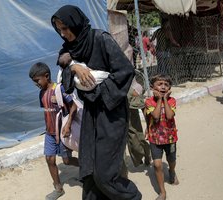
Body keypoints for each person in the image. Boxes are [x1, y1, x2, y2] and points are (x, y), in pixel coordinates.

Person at [51, 5, 142, 200]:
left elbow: (125, 72)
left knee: (105, 174)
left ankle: (132, 197)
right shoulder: (71, 47)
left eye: (66, 28)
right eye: (59, 29)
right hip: (91, 112)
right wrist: (75, 67)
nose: (63, 33)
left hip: (112, 112)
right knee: (89, 167)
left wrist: (96, 90)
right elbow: (62, 62)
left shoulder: (100, 39)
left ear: (75, 24)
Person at [29, 62, 79, 200]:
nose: (36, 84)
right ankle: (58, 188)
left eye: (37, 80)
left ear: (46, 76)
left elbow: (73, 106)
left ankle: (87, 169)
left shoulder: (59, 89)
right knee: (49, 159)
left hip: (62, 133)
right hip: (50, 133)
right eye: (34, 82)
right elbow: (48, 112)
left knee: (67, 161)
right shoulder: (41, 94)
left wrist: (68, 125)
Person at [144, 74, 179, 200]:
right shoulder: (149, 101)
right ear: (153, 87)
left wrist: (164, 99)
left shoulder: (172, 100)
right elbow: (155, 116)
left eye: (166, 84)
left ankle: (172, 171)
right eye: (160, 84)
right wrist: (159, 100)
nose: (163, 87)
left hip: (170, 138)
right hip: (155, 138)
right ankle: (162, 192)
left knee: (172, 160)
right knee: (157, 165)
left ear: (169, 88)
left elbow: (170, 116)